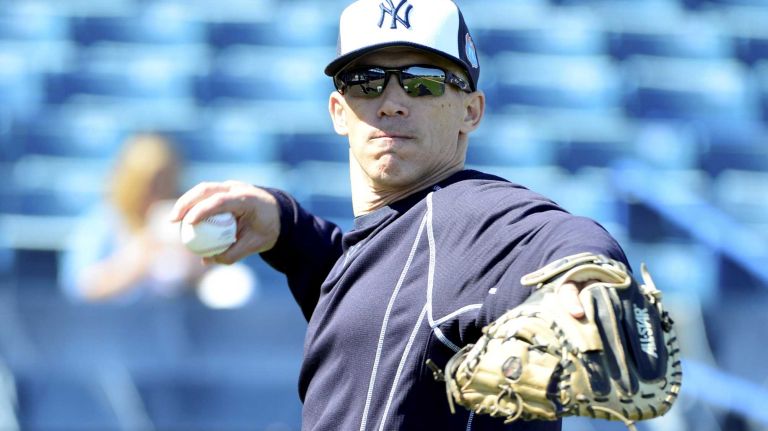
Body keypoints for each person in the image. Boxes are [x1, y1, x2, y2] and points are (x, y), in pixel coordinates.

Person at [169, 0, 629, 429]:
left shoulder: (470, 214)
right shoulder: (401, 243)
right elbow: (379, 293)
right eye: (366, 81)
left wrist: (586, 278)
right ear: (339, 111)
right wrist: (287, 229)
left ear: (471, 111)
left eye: (422, 81)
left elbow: (560, 236)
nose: (391, 102)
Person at [60, 133, 205, 303]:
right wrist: (139, 257)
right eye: (150, 183)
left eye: (165, 181)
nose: (157, 190)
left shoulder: (188, 218)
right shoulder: (103, 221)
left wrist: (194, 266)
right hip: (115, 317)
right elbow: (80, 288)